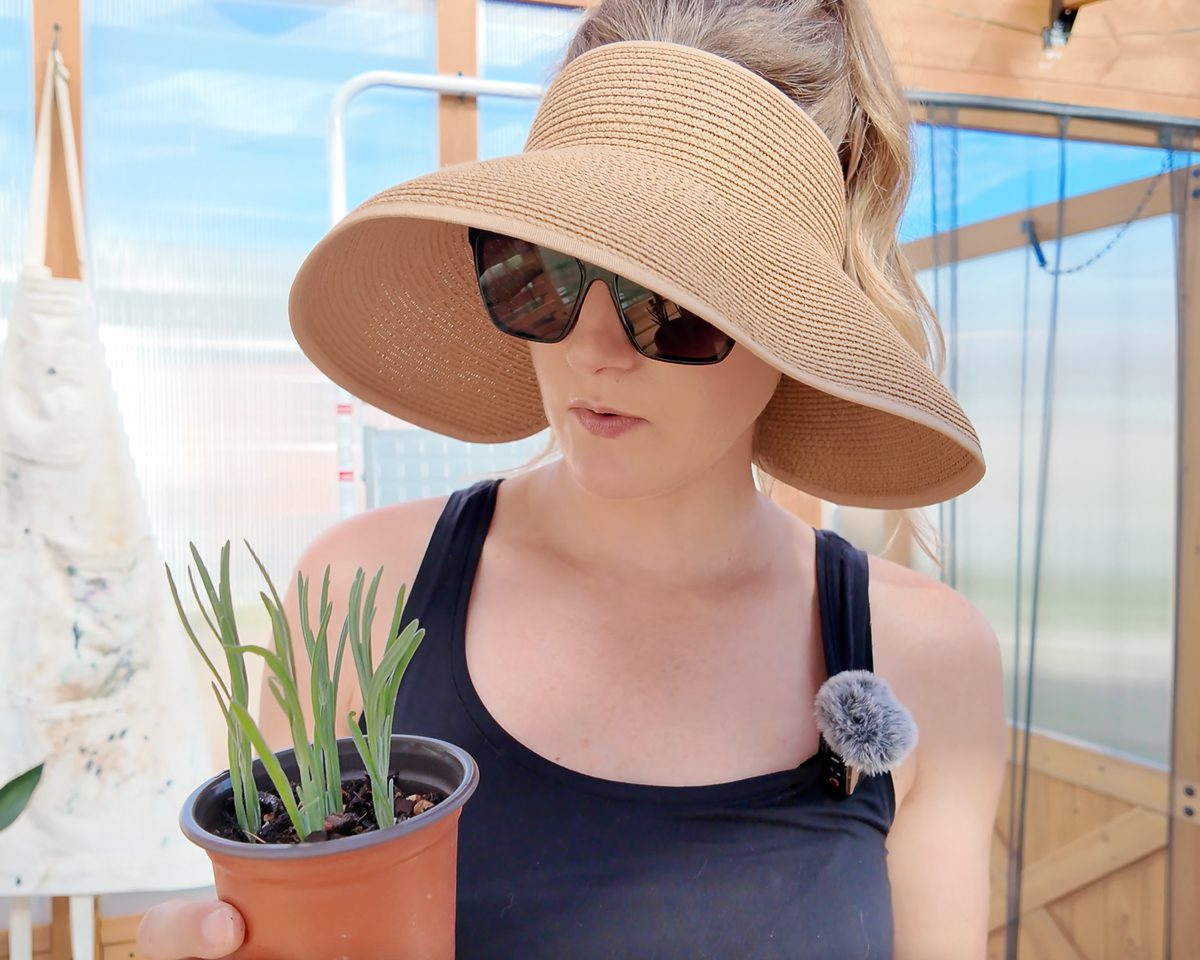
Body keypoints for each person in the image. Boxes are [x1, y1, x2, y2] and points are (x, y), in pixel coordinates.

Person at [137, 1, 1006, 957]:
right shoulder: (361, 599)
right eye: (539, 269)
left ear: (798, 322)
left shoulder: (924, 657)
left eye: (677, 300)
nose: (592, 349)